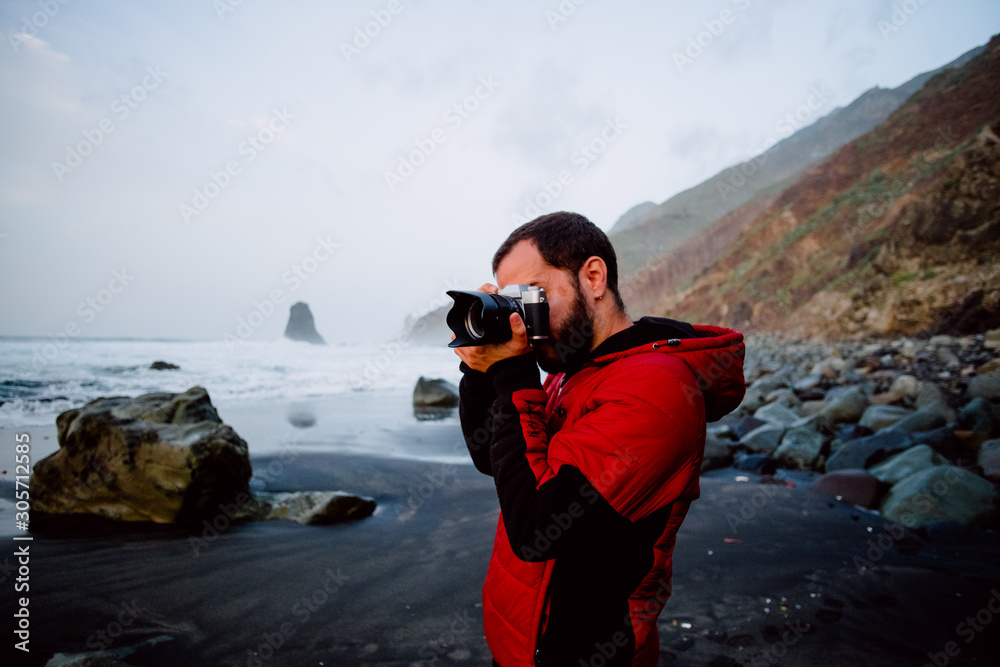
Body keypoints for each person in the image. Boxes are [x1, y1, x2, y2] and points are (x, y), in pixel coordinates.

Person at [453, 211, 747, 666]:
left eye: (532, 295)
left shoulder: (656, 388)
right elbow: (492, 457)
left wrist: (512, 372)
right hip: (523, 641)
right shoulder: (571, 373)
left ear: (593, 277)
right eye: (511, 302)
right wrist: (479, 372)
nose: (522, 318)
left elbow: (539, 529)